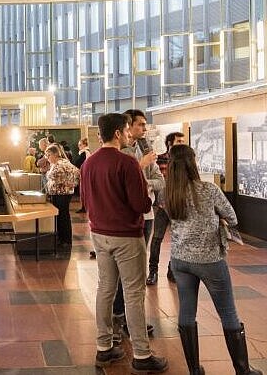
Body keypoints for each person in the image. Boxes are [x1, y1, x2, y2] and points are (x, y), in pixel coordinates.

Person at [81, 113, 168, 373]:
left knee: (105, 289)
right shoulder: (127, 163)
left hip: (99, 234)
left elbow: (85, 201)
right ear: (118, 133)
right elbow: (140, 203)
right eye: (127, 131)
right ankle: (141, 353)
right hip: (127, 236)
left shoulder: (88, 164)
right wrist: (149, 201)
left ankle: (104, 348)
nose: (130, 135)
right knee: (133, 293)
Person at [166, 144, 262, 375]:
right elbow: (232, 216)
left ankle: (194, 370)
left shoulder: (168, 193)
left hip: (180, 259)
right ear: (192, 162)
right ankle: (242, 370)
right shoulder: (208, 190)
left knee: (186, 312)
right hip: (210, 260)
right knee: (228, 312)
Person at [146, 131, 185, 286]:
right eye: (179, 141)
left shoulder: (185, 161)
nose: (182, 143)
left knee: (177, 240)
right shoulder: (160, 159)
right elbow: (158, 182)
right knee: (157, 239)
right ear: (170, 143)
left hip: (178, 206)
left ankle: (172, 269)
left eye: (183, 141)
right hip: (162, 206)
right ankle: (153, 271)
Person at [45, 143, 79, 249]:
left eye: (48, 155)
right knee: (60, 216)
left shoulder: (61, 164)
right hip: (59, 193)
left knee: (63, 216)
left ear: (55, 154)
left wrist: (71, 184)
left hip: (62, 194)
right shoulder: (57, 163)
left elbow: (77, 173)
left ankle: (66, 240)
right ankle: (61, 238)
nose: (47, 158)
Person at [73, 138, 91, 213]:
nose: (78, 146)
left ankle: (85, 207)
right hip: (83, 174)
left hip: (85, 174)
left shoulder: (85, 152)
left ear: (84, 145)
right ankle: (84, 206)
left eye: (80, 145)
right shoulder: (84, 152)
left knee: (84, 191)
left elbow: (80, 163)